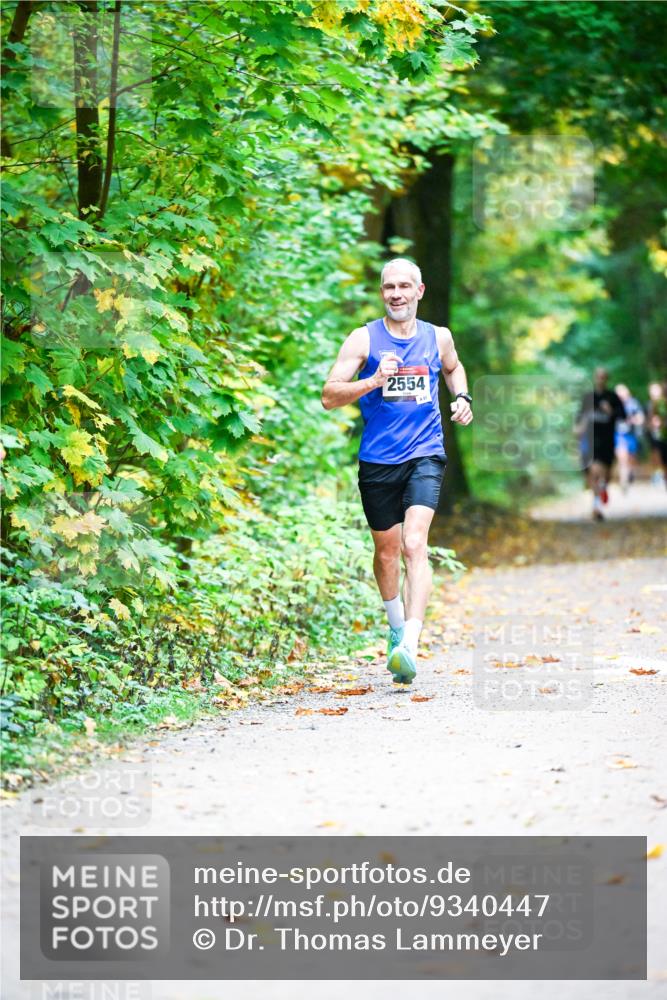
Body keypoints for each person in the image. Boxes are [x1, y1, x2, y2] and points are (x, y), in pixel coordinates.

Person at [321, 258, 472, 685]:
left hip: (425, 453)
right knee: (386, 553)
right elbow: (329, 396)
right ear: (382, 292)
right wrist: (372, 380)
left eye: (405, 286)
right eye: (390, 287)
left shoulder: (437, 337)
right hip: (377, 460)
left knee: (413, 543)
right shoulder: (363, 339)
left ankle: (410, 641)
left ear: (420, 291)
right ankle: (394, 626)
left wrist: (463, 398)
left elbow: (453, 367)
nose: (397, 294)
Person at [575, 368, 625, 520]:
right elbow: (579, 417)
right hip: (590, 441)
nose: (600, 379)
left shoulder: (612, 397)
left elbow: (623, 415)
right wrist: (577, 430)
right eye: (598, 376)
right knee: (594, 473)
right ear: (594, 378)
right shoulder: (588, 397)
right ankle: (596, 507)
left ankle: (602, 490)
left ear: (607, 379)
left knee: (606, 476)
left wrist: (610, 411)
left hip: (607, 441)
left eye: (603, 377)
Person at [613, 383, 644, 493]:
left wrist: (633, 420)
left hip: (631, 434)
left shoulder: (633, 403)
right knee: (622, 458)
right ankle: (623, 481)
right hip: (619, 435)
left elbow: (641, 418)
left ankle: (629, 473)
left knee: (631, 459)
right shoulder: (614, 405)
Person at [647, 380, 667, 488]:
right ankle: (663, 476)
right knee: (662, 458)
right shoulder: (657, 404)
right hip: (662, 436)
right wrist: (655, 424)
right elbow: (651, 419)